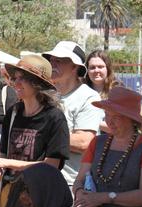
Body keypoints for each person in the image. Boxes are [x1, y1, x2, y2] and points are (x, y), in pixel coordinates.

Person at [0, 54, 69, 200]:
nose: (15, 83)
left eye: (22, 78)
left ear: (37, 83)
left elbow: (51, 166)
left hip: (39, 196)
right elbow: (4, 155)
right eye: (15, 78)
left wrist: (6, 162)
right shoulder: (13, 113)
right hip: (12, 193)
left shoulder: (54, 117)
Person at [42, 41, 103, 188]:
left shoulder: (89, 97)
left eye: (59, 61)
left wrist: (42, 134)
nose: (53, 64)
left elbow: (84, 142)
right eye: (51, 60)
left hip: (70, 184)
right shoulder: (44, 94)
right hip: (41, 177)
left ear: (75, 67)